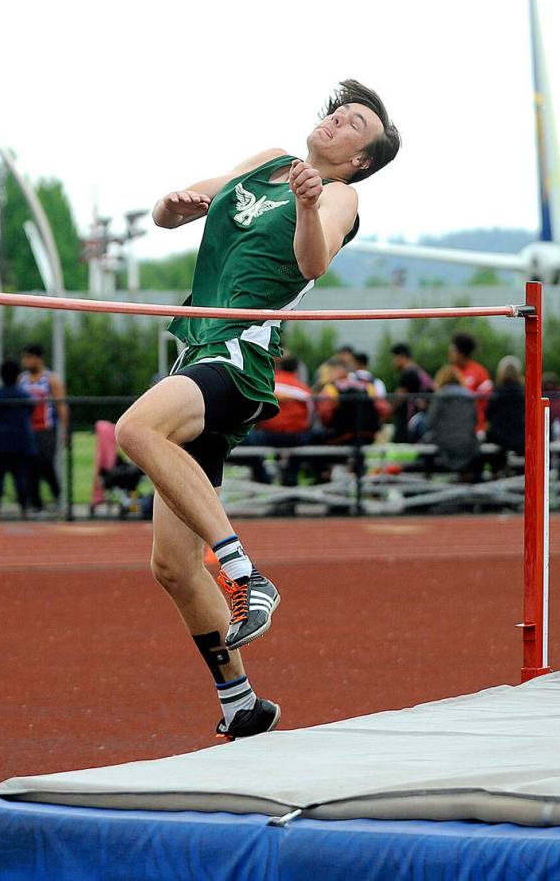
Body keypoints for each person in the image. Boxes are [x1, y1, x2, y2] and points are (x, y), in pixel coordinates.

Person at [114, 80, 400, 740]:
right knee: (171, 565)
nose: (335, 121)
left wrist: (306, 206)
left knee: (135, 428)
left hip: (239, 355)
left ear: (360, 157)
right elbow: (173, 214)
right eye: (337, 110)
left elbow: (314, 260)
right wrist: (170, 205)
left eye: (353, 122)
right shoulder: (269, 161)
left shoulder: (339, 196)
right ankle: (240, 702)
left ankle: (247, 573)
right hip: (196, 352)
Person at [243, 355, 314, 487]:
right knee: (307, 441)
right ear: (297, 370)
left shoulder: (267, 384)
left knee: (247, 440)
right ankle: (290, 479)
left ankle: (262, 477)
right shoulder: (304, 389)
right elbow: (311, 416)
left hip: (268, 435)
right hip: (296, 438)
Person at [0, 359, 36, 517]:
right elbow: (30, 411)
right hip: (20, 443)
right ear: (18, 376)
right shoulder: (24, 395)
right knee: (20, 477)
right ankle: (24, 509)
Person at [18, 343, 69, 514]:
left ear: (38, 359)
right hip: (27, 429)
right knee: (30, 467)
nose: (26, 361)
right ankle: (36, 504)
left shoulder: (51, 379)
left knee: (45, 463)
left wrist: (65, 429)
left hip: (46, 428)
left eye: (29, 358)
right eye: (24, 358)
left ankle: (57, 495)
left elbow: (61, 406)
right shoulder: (22, 380)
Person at [422, 366, 481, 476]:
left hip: (443, 445)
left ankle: (427, 479)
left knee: (424, 445)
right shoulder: (469, 396)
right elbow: (475, 421)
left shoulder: (440, 397)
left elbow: (430, 421)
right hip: (467, 444)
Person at [435, 333, 492, 436]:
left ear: (461, 353)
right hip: (450, 427)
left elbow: (487, 402)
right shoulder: (449, 373)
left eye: (452, 350)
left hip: (475, 429)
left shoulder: (479, 372)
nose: (449, 353)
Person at [485, 356, 525, 475]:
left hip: (498, 437)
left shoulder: (496, 392)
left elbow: (488, 414)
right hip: (519, 437)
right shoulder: (523, 393)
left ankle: (495, 475)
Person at [390, 343, 433, 442]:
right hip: (420, 420)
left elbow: (399, 398)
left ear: (401, 357)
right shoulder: (419, 370)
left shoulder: (408, 373)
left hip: (409, 420)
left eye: (394, 358)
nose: (393, 362)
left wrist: (389, 410)